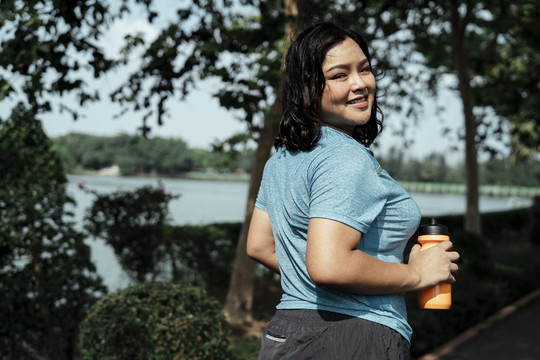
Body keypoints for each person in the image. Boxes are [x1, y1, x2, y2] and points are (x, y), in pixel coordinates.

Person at [246, 22, 460, 360]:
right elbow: (330, 265)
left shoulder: (282, 159)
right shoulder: (346, 157)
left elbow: (260, 246)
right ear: (307, 87)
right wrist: (416, 273)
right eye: (339, 75)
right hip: (351, 339)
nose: (360, 84)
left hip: (284, 336)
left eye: (365, 69)